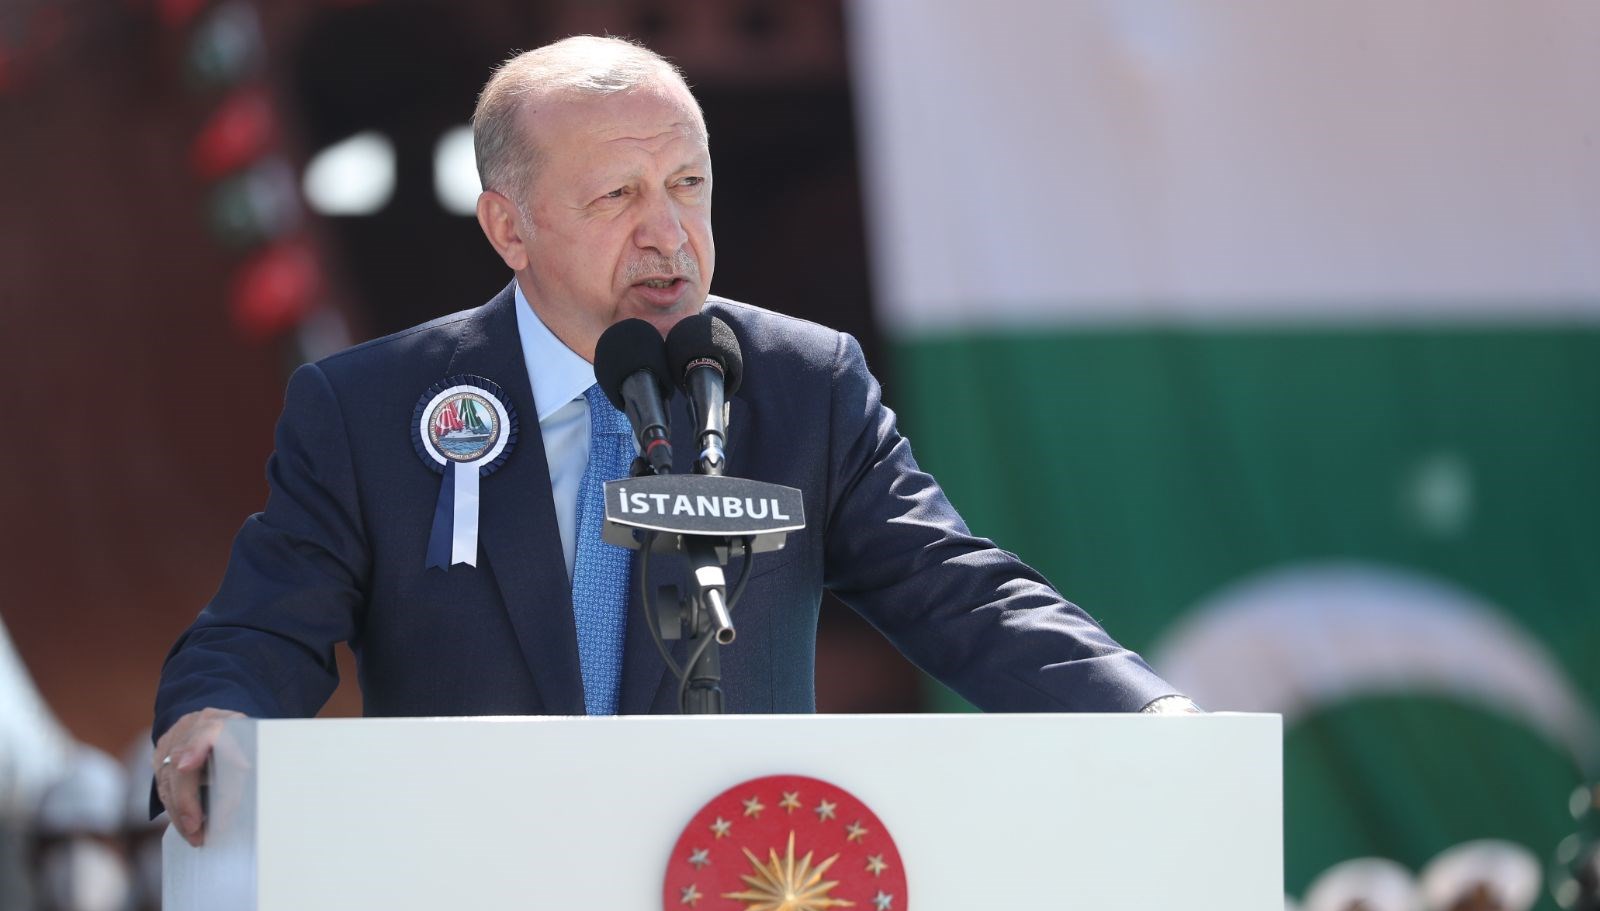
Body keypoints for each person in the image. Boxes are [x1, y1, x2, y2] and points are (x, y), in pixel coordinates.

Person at [153, 35, 1194, 847]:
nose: (668, 234)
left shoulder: (804, 384)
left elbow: (955, 589)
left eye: (687, 186)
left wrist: (1142, 713)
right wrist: (214, 713)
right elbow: (267, 621)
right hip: (472, 867)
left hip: (738, 871)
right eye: (618, 196)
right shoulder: (371, 406)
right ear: (509, 228)